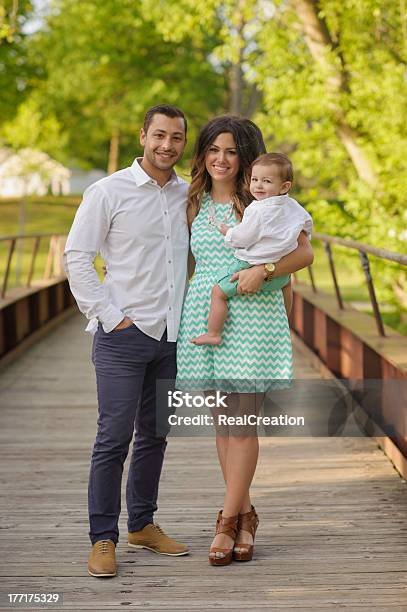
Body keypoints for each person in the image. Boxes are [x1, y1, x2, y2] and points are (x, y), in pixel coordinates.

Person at [176, 115, 314, 566]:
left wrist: (265, 270)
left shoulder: (262, 200)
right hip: (205, 312)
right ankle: (245, 516)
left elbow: (305, 253)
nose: (221, 159)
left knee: (242, 425)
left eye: (232, 151)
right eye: (213, 150)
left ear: (247, 156)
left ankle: (225, 521)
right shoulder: (192, 199)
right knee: (222, 423)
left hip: (251, 317)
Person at [63, 104, 190, 578]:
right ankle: (102, 537)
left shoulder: (186, 195)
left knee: (155, 436)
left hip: (171, 336)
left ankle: (142, 524)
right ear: (143, 136)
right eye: (159, 135)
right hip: (123, 336)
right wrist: (111, 316)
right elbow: (77, 257)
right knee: (113, 438)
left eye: (176, 138)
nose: (167, 145)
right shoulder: (107, 190)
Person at [191, 152, 313, 346]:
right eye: (255, 180)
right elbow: (306, 223)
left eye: (266, 181)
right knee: (286, 284)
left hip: (248, 270)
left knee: (218, 292)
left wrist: (228, 232)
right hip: (278, 280)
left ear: (284, 186)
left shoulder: (257, 208)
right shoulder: (291, 206)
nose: (258, 185)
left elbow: (243, 237)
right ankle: (286, 325)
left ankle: (213, 332)